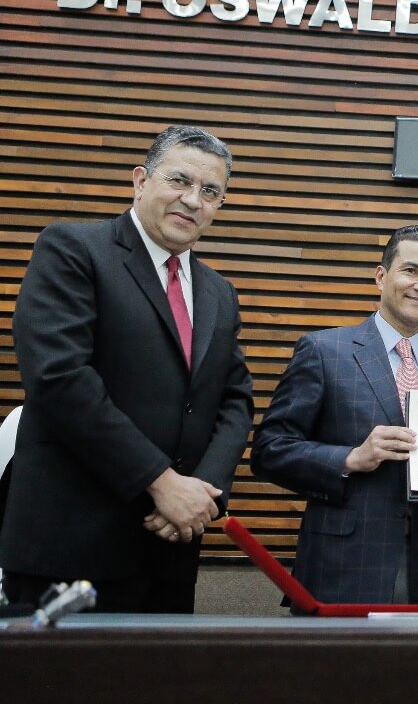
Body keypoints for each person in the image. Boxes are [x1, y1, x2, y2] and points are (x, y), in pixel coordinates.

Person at [0, 125, 253, 613]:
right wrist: (160, 482)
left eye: (210, 192)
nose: (192, 199)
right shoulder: (73, 249)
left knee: (160, 690)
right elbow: (60, 379)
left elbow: (234, 399)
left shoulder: (219, 291)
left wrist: (205, 496)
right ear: (140, 181)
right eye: (179, 180)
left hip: (172, 546)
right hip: (72, 547)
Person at [251, 225, 418, 606]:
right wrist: (350, 458)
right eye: (411, 270)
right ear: (381, 275)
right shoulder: (324, 351)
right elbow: (269, 451)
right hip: (343, 566)